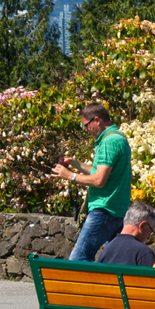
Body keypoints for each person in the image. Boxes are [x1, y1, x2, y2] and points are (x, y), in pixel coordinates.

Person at [51, 102, 133, 263]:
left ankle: (75, 289)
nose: (86, 130)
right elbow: (102, 174)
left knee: (78, 259)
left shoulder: (109, 143)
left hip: (104, 209)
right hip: (117, 209)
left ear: (97, 120)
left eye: (86, 125)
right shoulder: (118, 138)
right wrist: (78, 165)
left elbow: (99, 180)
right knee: (115, 260)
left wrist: (70, 176)